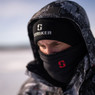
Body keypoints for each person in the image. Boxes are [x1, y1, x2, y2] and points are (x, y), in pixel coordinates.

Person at [18, 0, 95, 95]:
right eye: (42, 46)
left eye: (55, 44)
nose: (48, 52)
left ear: (80, 42)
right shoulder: (31, 88)